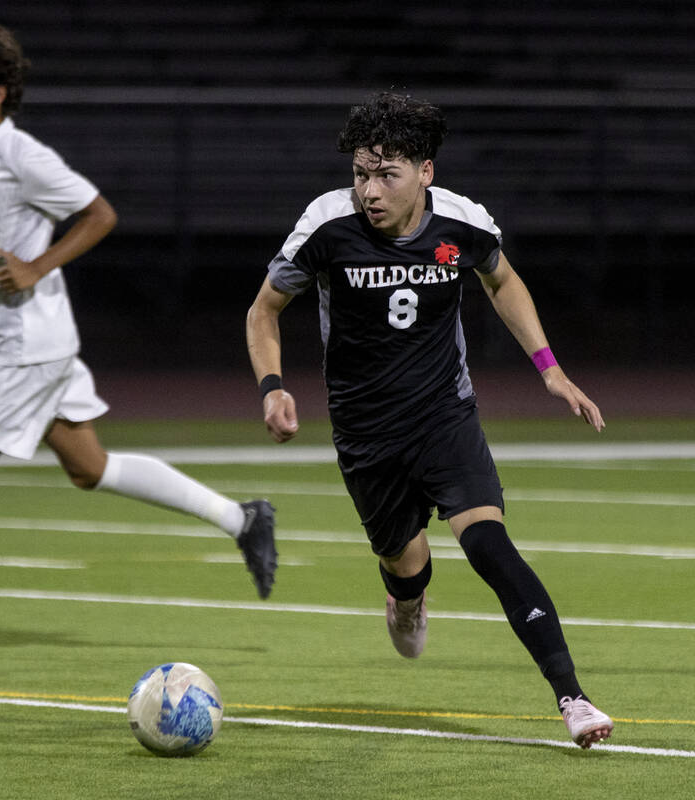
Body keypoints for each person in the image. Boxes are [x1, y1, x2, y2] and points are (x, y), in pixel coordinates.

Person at [0, 20, 277, 657]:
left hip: (26, 342)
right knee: (90, 467)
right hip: (20, 333)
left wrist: (36, 266)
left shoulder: (22, 155)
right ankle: (241, 519)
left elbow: (100, 214)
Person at [245, 91, 613, 749]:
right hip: (365, 432)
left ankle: (574, 698)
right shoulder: (326, 226)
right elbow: (263, 310)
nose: (369, 190)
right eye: (361, 173)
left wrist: (549, 367)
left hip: (445, 412)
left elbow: (502, 280)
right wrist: (272, 387)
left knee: (491, 548)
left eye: (387, 174)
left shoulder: (462, 223)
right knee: (406, 564)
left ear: (426, 173)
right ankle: (407, 597)